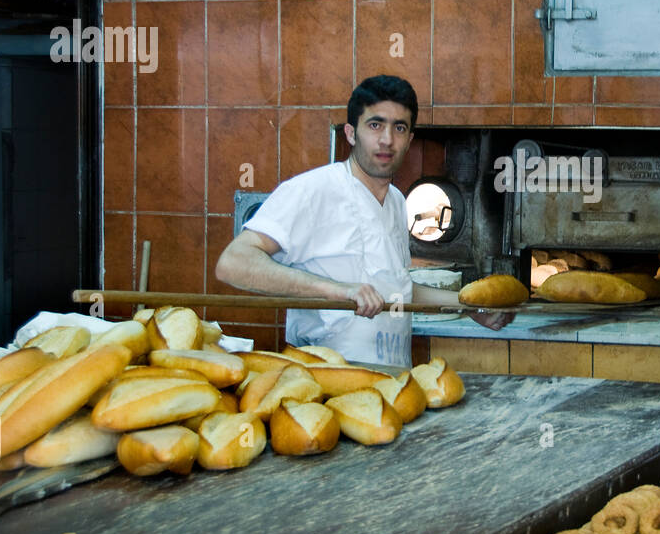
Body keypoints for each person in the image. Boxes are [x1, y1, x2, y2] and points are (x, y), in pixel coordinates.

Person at [214, 74, 511, 367]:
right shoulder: (312, 190)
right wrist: (339, 290)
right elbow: (233, 263)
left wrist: (468, 307)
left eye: (399, 128)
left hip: (392, 379)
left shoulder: (396, 201)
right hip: (326, 382)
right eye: (375, 125)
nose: (386, 140)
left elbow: (397, 288)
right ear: (351, 133)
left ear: (409, 140)